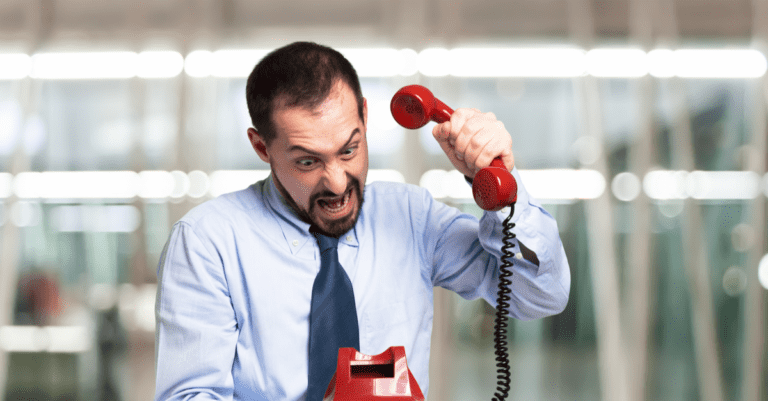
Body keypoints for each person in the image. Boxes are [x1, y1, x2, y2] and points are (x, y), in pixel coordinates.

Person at [154, 41, 570, 401]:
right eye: (307, 161)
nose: (336, 183)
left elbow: (540, 295)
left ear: (365, 118)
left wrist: (502, 192)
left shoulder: (411, 217)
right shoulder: (207, 241)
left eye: (349, 150)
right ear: (262, 147)